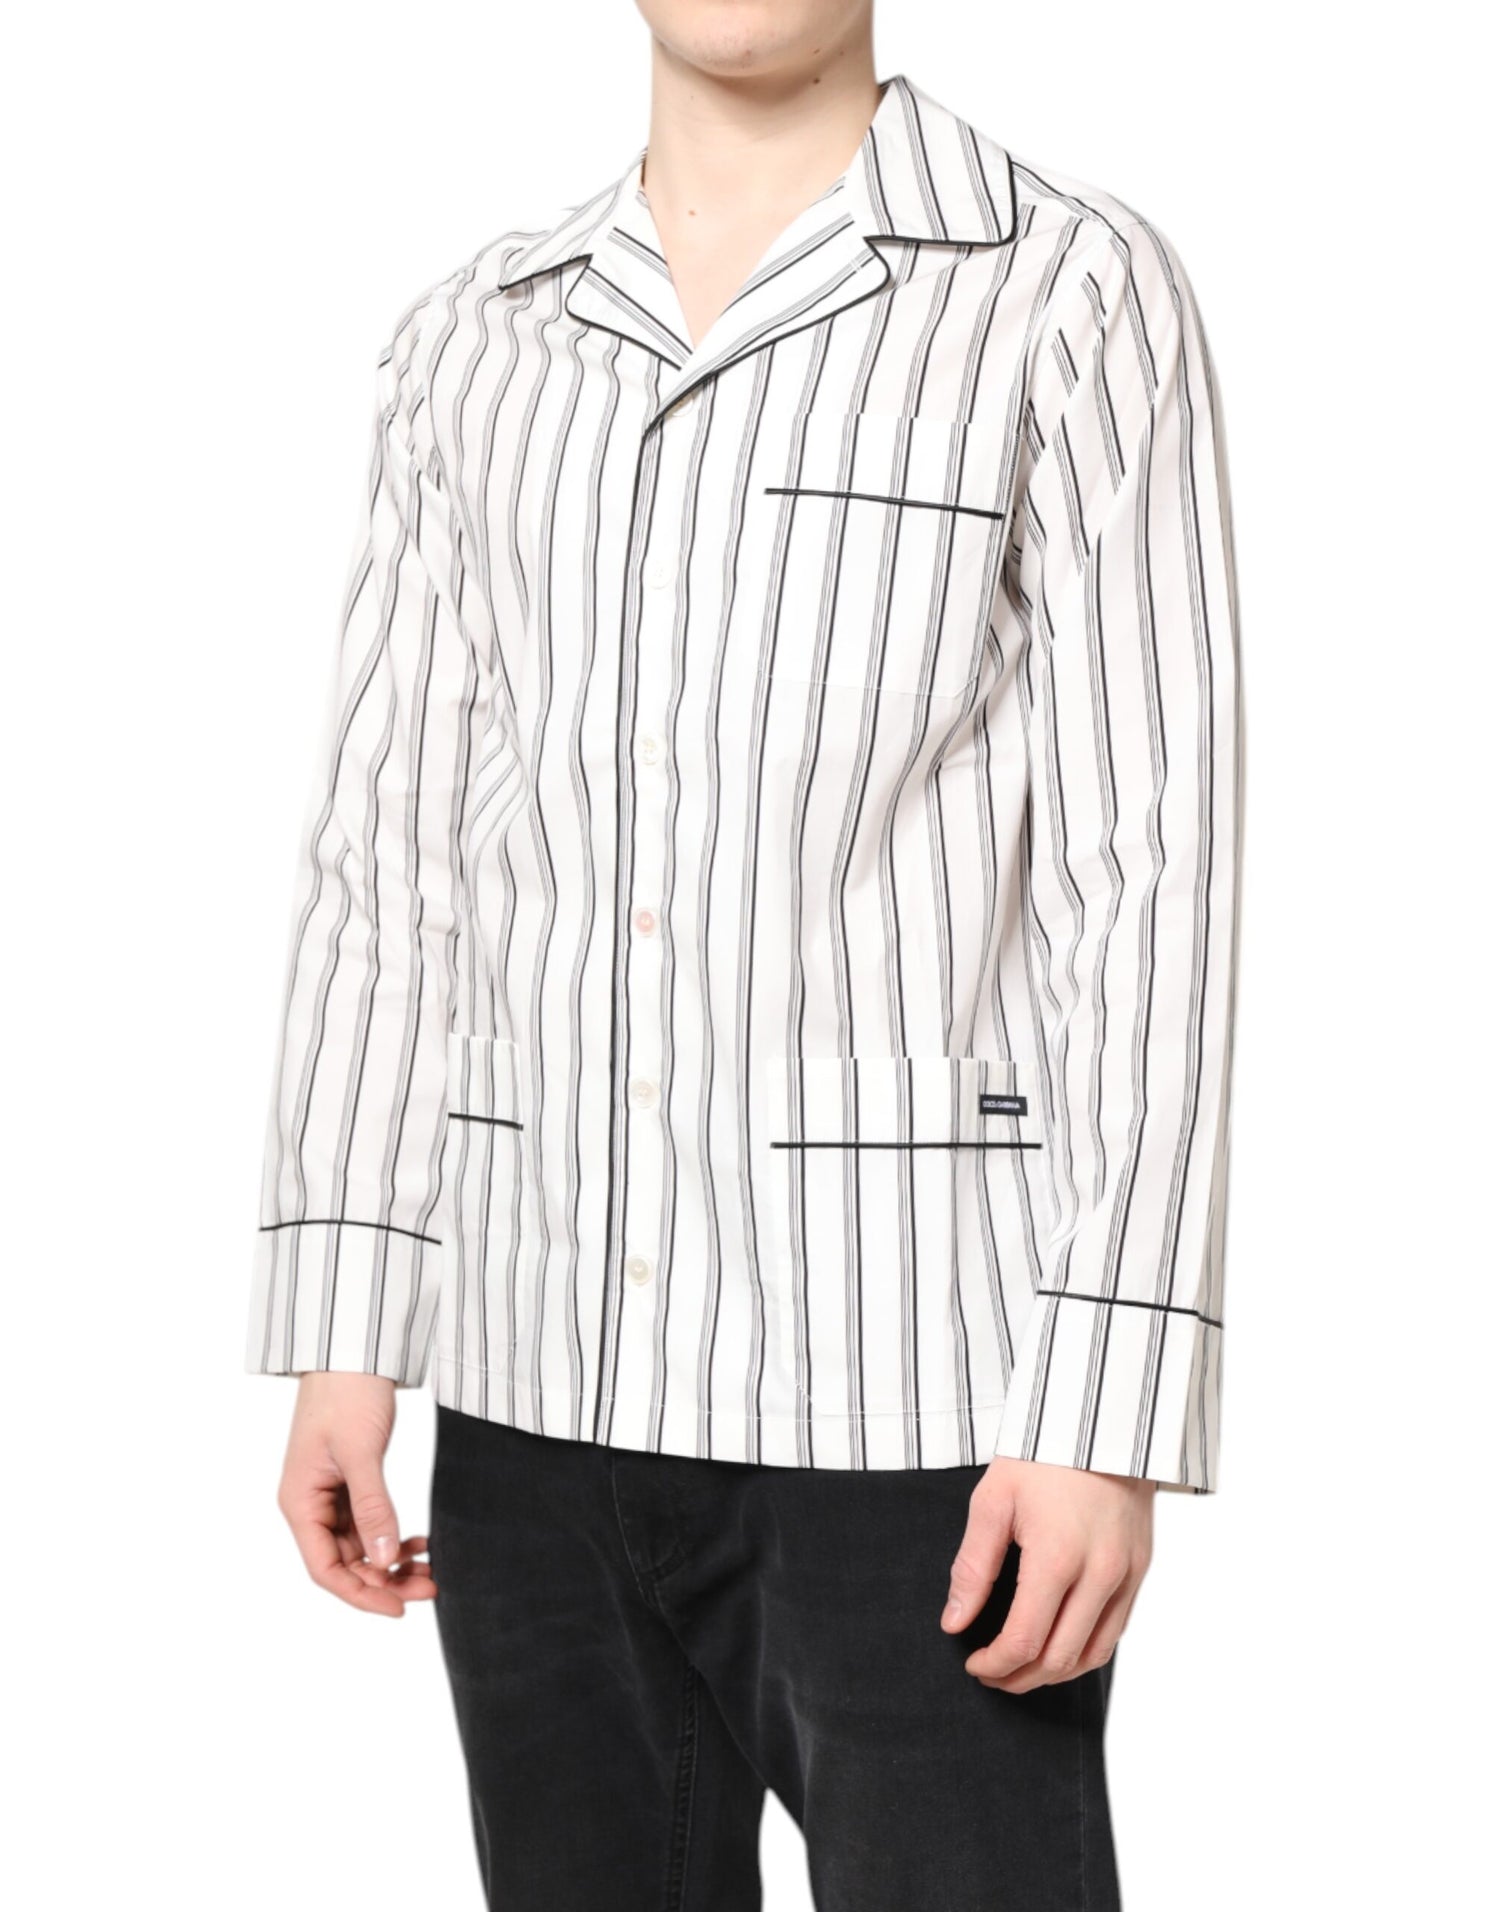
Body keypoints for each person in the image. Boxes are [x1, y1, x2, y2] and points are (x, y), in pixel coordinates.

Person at [245, 4, 1244, 1906]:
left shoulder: (1062, 289)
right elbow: (390, 853)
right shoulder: (477, 337)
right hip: (533, 1391)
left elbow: (1148, 874)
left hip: (916, 1406)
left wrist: (1107, 1412)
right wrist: (348, 1327)